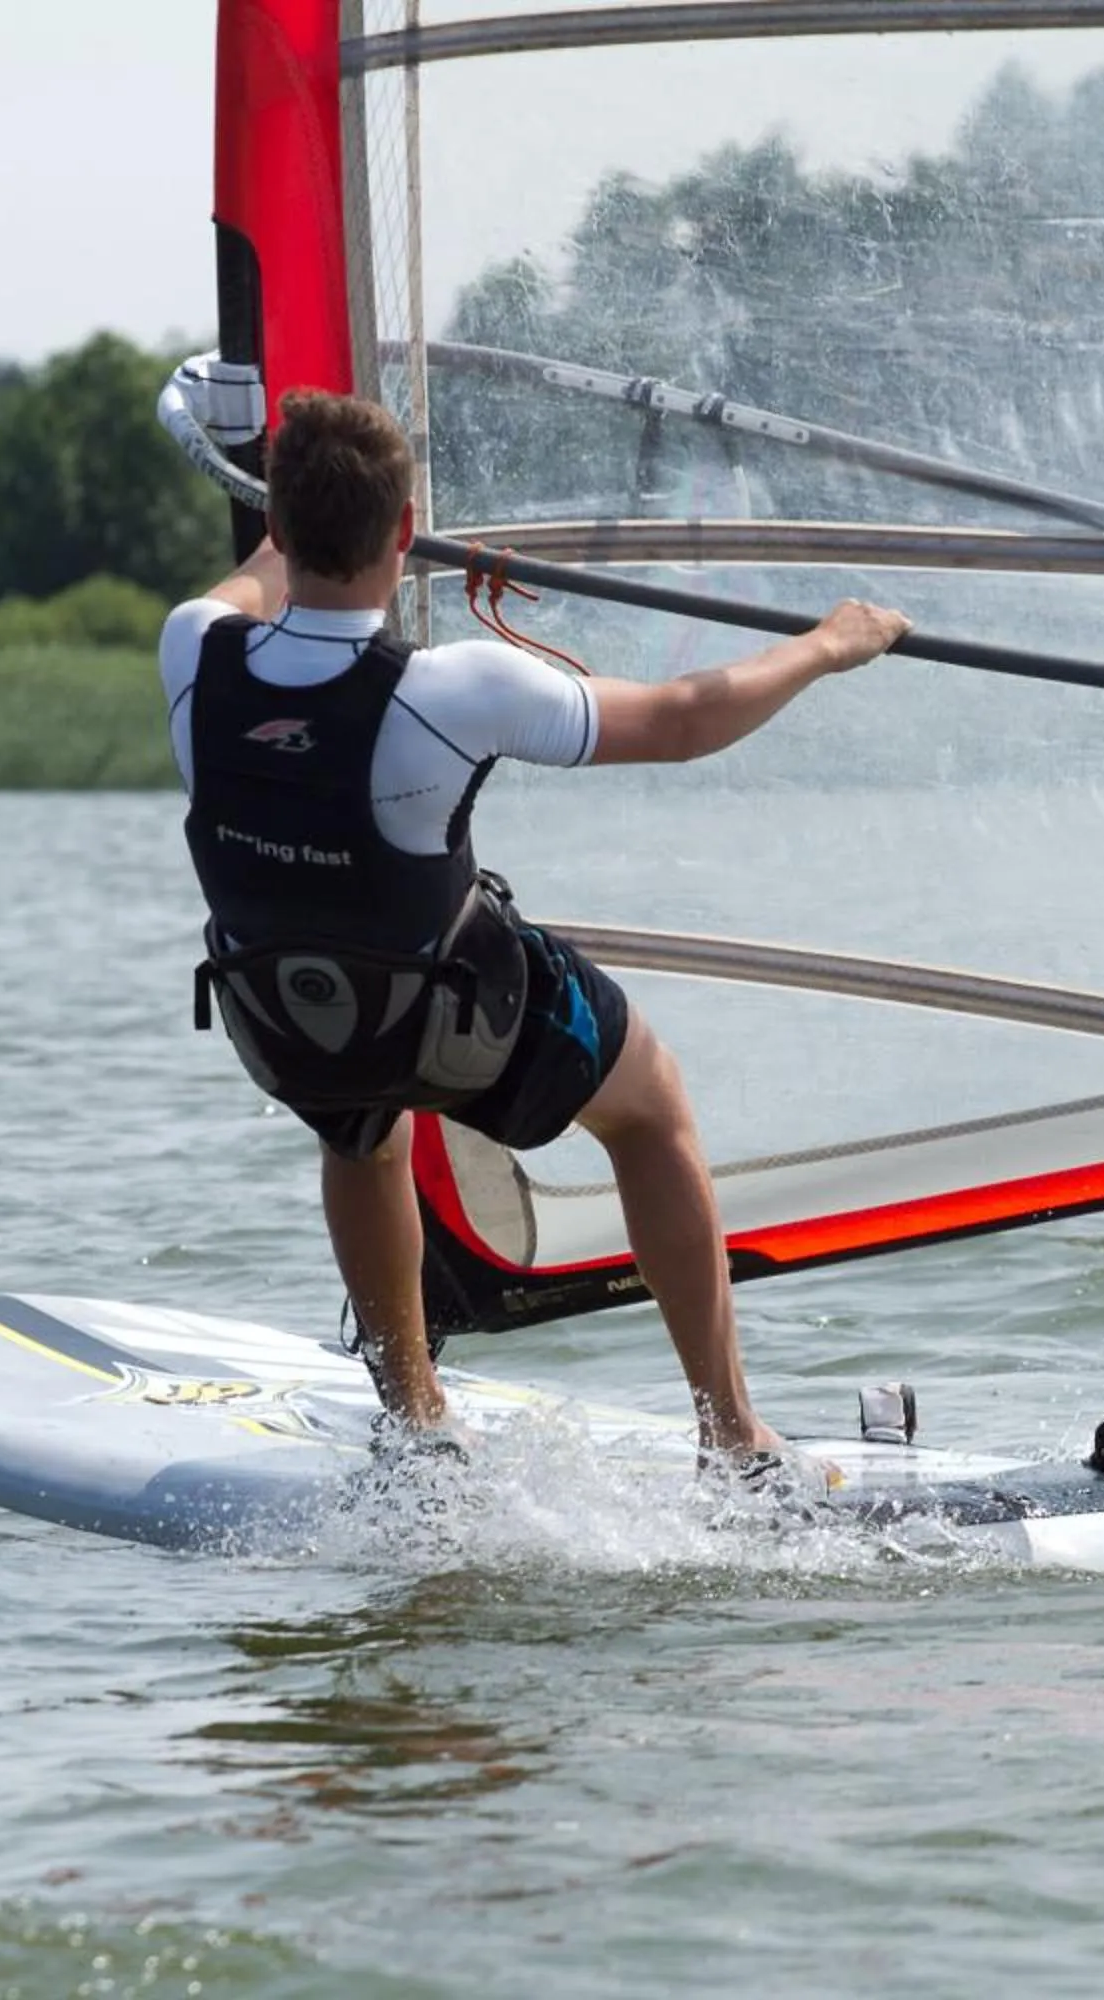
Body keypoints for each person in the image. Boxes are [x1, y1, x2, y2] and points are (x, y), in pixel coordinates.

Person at [160, 383, 909, 1468]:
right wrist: (826, 644)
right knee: (650, 1107)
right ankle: (734, 1436)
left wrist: (302, 509)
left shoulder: (193, 652)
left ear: (275, 523)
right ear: (405, 534)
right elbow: (687, 719)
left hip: (288, 1024)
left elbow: (256, 582)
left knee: (357, 1126)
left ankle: (419, 1426)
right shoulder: (454, 688)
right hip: (449, 1018)